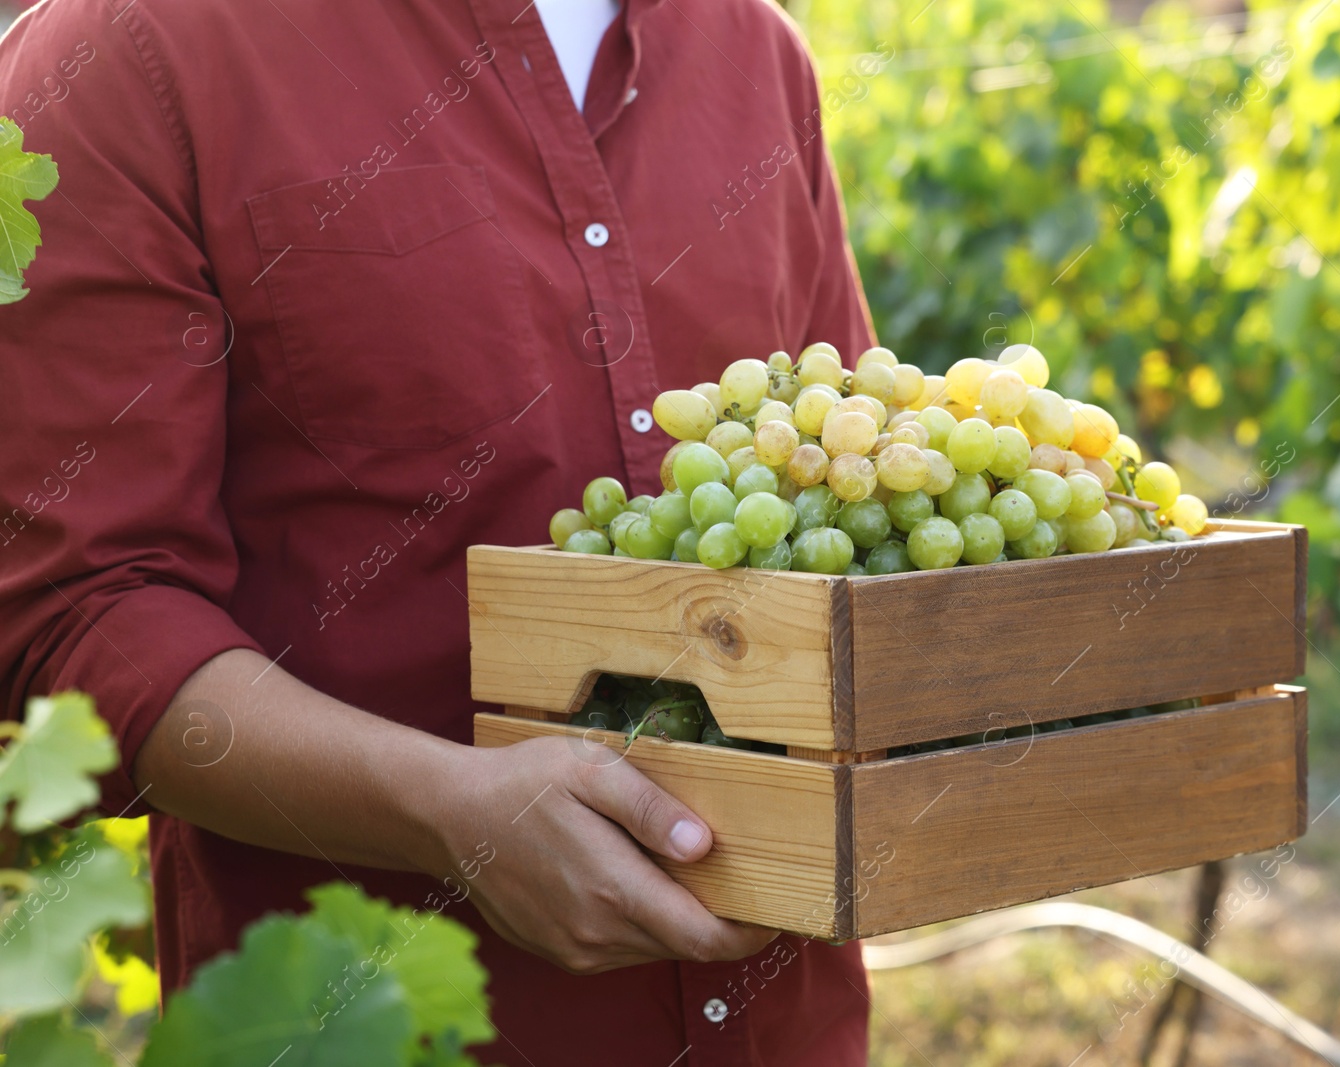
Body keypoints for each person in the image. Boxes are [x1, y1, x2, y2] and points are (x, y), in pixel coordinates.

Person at [0, 0, 875, 1062]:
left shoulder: (754, 51)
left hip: (788, 1025)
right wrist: (443, 811)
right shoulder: (131, 51)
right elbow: (79, 611)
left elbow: (858, 502)